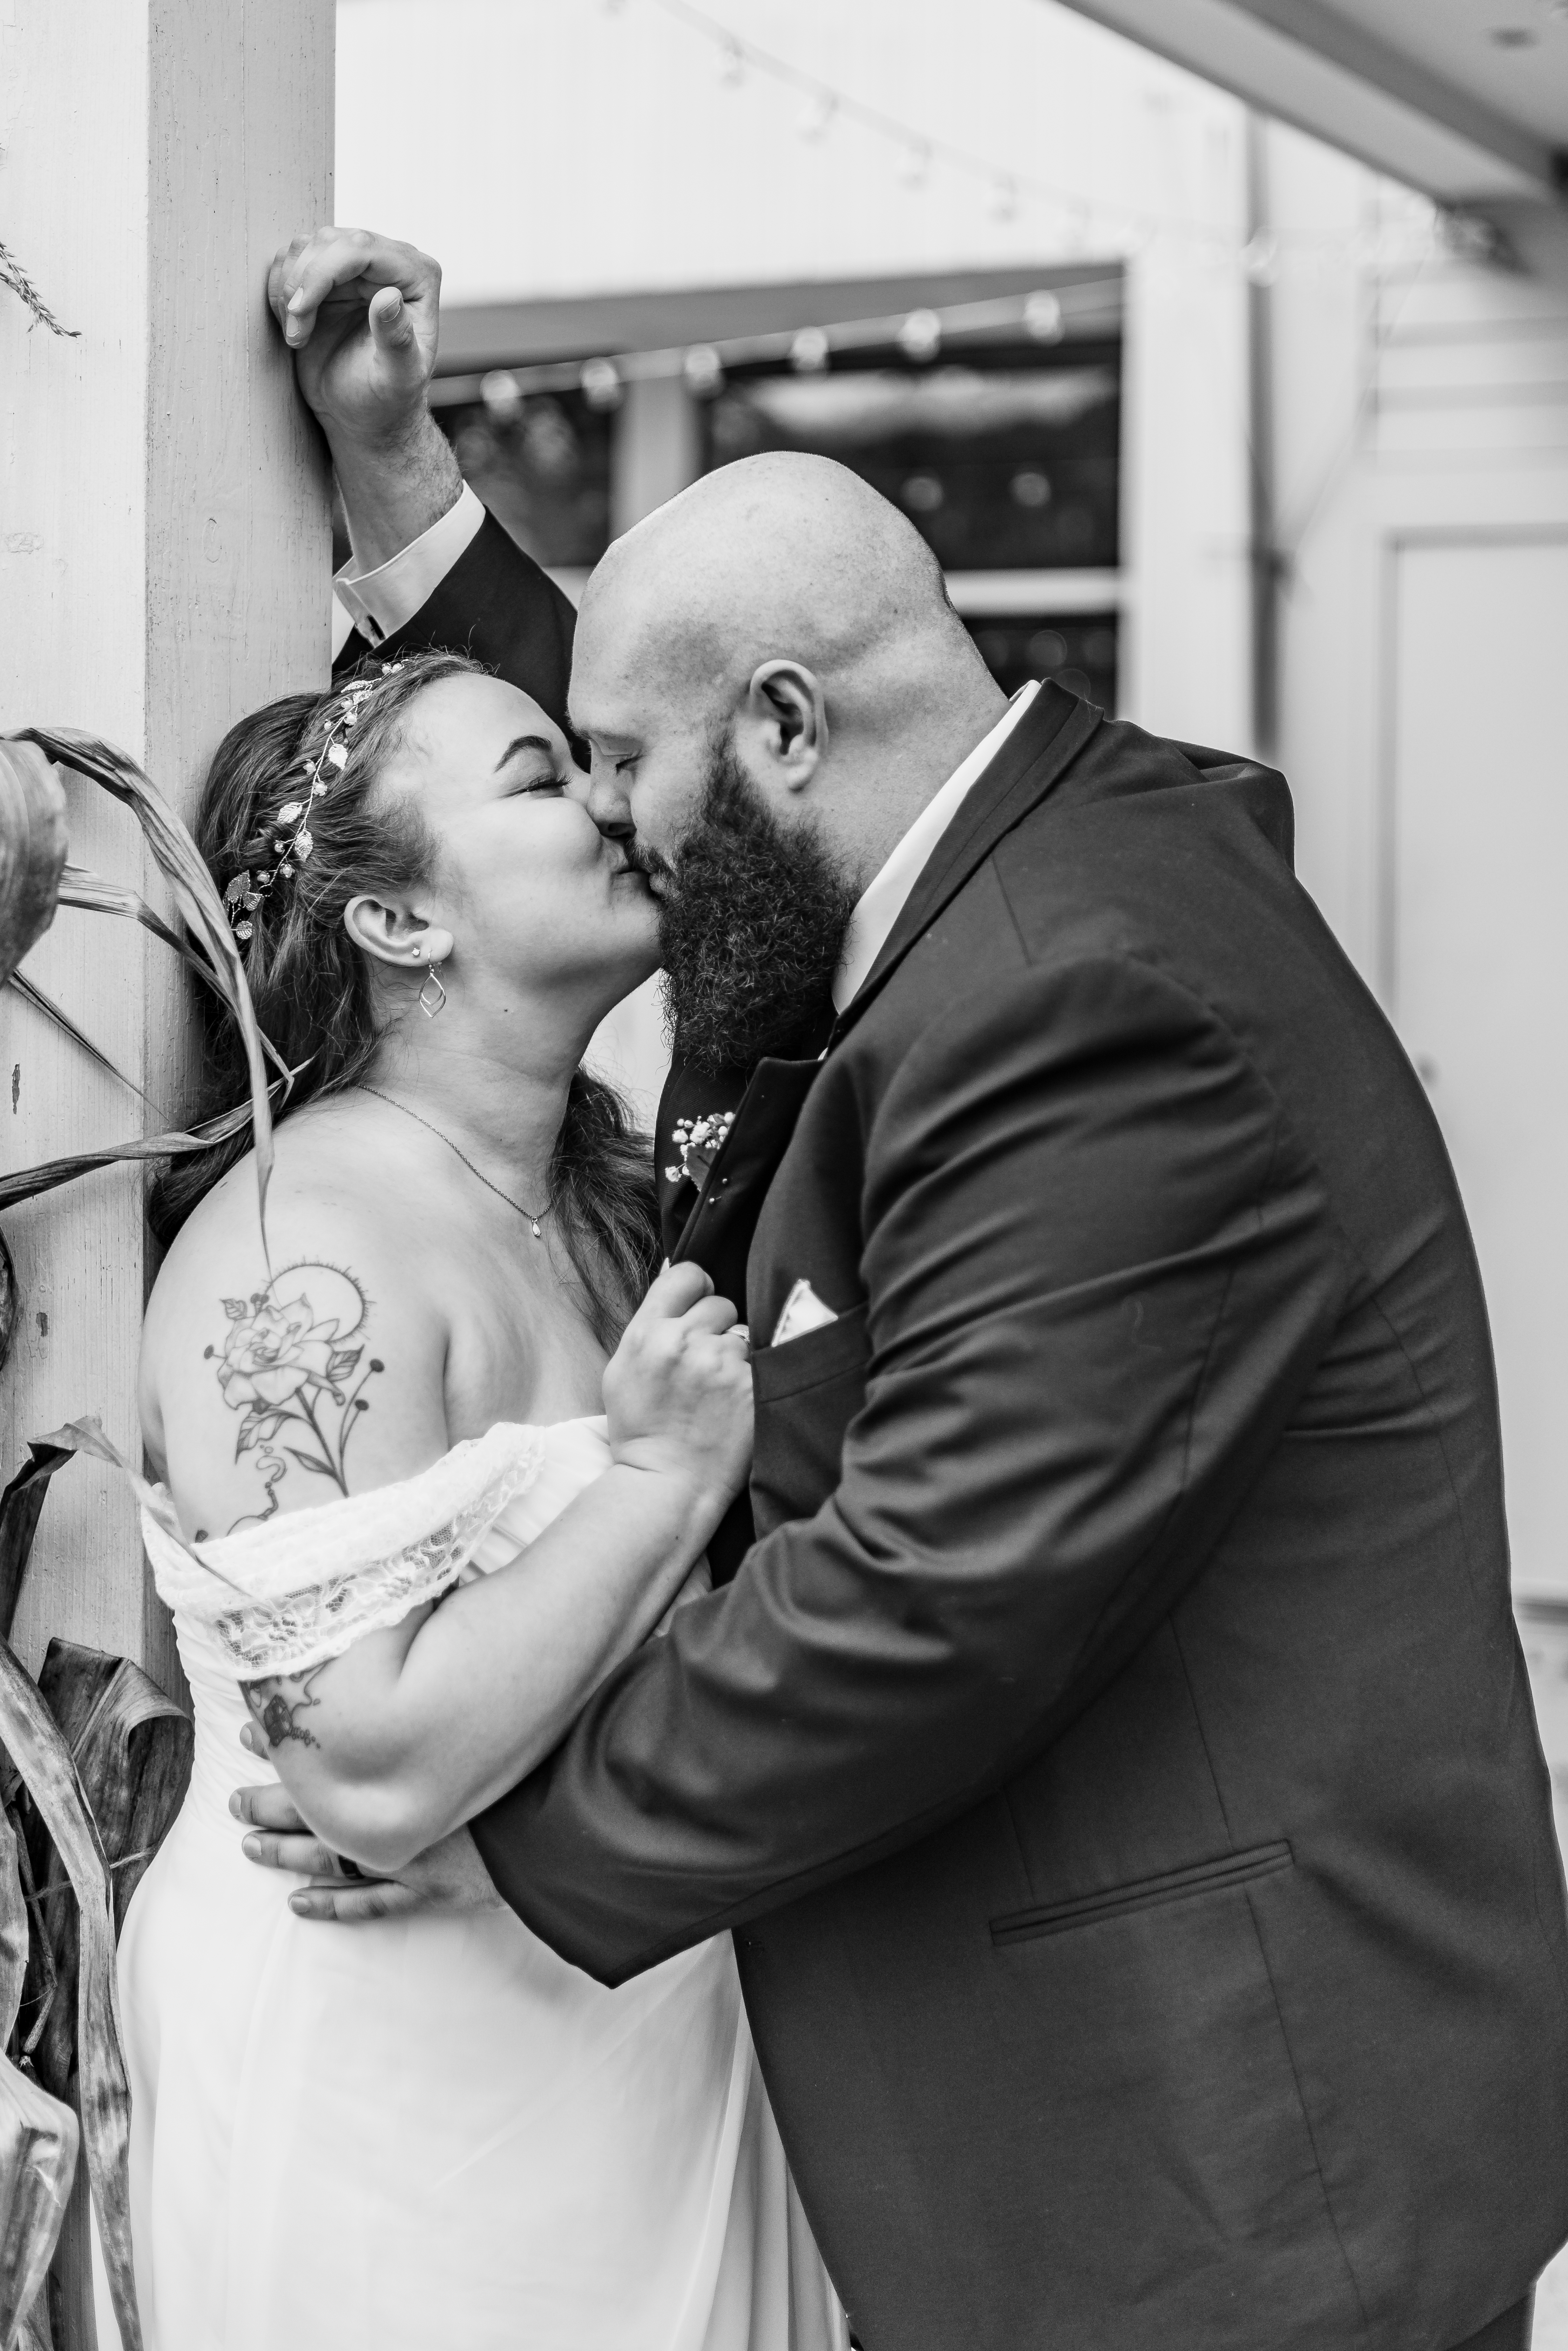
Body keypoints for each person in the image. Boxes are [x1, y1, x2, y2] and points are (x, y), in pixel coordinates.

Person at [241, 228, 1568, 2351]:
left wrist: (501, 1837)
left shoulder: (1075, 1001)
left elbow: (937, 1586)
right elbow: (647, 763)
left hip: (1227, 2189)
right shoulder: (990, 883)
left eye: (614, 772)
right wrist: (402, 493)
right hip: (1122, 2158)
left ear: (781, 730)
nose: (600, 825)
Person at [94, 649, 848, 2350]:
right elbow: (363, 1764)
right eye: (534, 774)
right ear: (400, 926)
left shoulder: (610, 1203)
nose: (605, 800)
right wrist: (658, 1476)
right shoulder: (301, 1251)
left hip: (635, 2041)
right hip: (400, 2104)